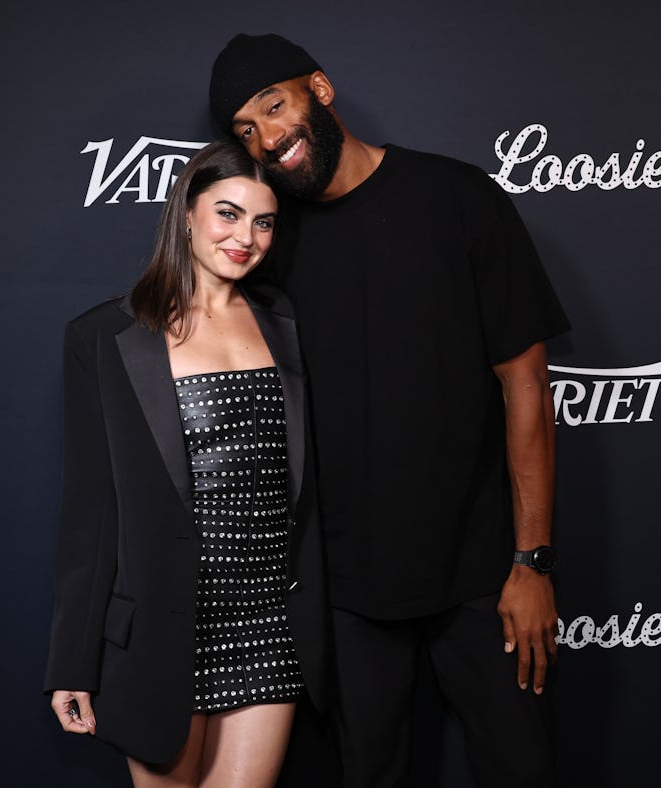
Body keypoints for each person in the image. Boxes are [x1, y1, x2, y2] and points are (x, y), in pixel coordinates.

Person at [208, 34, 571, 787]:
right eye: (246, 130)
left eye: (275, 107)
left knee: (522, 769)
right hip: (346, 597)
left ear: (321, 89)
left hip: (482, 581)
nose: (268, 138)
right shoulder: (268, 244)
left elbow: (527, 385)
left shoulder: (458, 198)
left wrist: (531, 562)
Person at [44, 139, 326, 788]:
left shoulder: (285, 320)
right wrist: (71, 664)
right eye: (227, 214)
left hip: (268, 618)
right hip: (164, 627)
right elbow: (91, 512)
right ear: (187, 212)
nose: (245, 238)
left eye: (263, 222)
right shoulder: (104, 338)